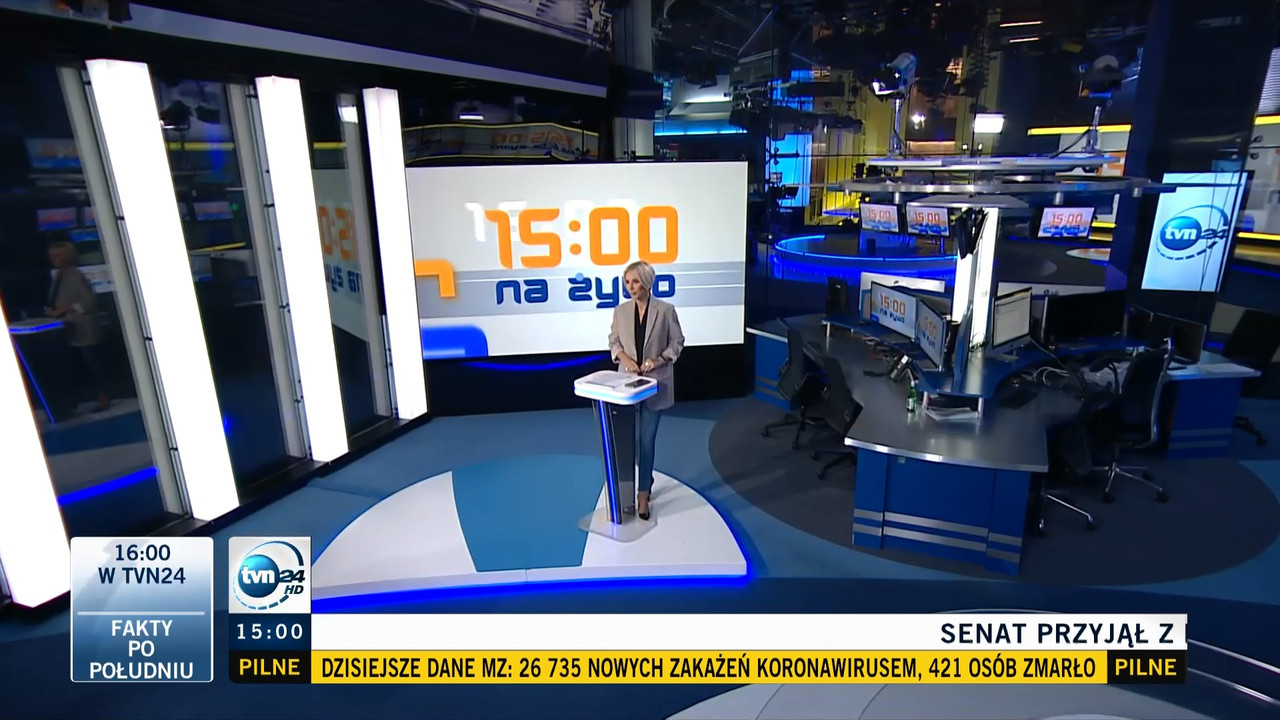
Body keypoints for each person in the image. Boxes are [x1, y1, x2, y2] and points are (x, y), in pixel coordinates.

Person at [608, 260, 685, 520]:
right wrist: (624, 358)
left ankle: (643, 493)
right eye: (627, 282)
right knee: (629, 441)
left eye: (635, 282)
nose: (631, 287)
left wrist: (660, 360)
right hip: (627, 385)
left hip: (656, 385)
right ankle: (637, 483)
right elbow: (614, 341)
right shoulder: (620, 312)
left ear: (647, 283)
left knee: (646, 440)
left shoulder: (665, 311)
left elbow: (677, 342)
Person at [45, 238, 109, 413]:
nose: (54, 259)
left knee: (93, 365)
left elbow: (89, 302)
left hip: (84, 328)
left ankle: (103, 397)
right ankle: (75, 401)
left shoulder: (75, 275)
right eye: (52, 256)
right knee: (79, 366)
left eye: (57, 256)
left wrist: (65, 309)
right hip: (70, 328)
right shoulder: (59, 275)